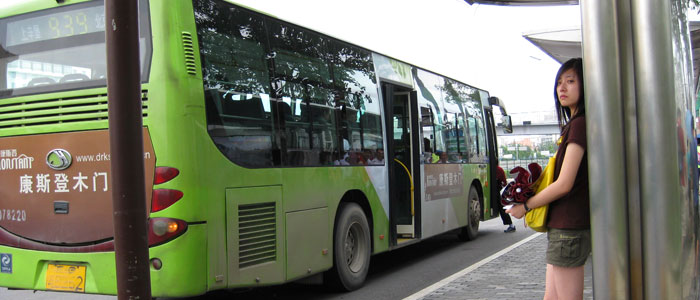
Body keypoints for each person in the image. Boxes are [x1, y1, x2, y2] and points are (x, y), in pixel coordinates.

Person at [506, 57, 589, 300]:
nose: (562, 88)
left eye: (571, 81)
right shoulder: (573, 125)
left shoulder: (580, 125)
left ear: (585, 86)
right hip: (563, 228)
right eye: (559, 83)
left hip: (568, 229)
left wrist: (526, 206)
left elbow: (564, 183)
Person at [496, 166, 515, 233]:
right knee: (502, 208)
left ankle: (511, 225)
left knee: (502, 208)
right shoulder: (499, 169)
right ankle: (511, 225)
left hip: (497, 192)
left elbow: (504, 182)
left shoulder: (497, 169)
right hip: (498, 191)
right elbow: (504, 182)